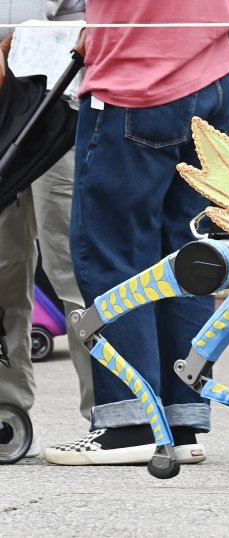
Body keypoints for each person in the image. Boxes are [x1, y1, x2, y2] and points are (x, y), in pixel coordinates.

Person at [43, 1, 229, 466]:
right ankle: (181, 421)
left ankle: (130, 423)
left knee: (111, 253)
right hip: (212, 70)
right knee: (187, 256)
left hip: (137, 77)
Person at [0, 0, 92, 459]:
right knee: (3, 268)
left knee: (74, 268)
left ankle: (111, 413)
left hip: (61, 105)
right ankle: (6, 411)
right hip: (9, 102)